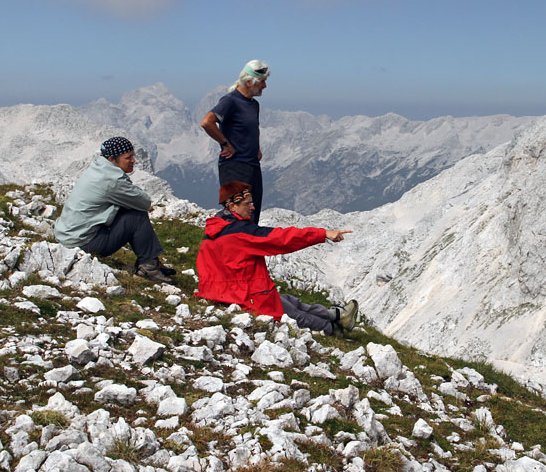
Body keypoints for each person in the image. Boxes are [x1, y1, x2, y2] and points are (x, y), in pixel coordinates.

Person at [195, 181, 359, 336]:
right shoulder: (241, 232)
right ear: (232, 206)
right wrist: (323, 234)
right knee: (293, 313)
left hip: (219, 292)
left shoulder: (215, 230)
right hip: (240, 295)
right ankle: (332, 329)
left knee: (288, 300)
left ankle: (337, 315)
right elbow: (282, 238)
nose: (252, 207)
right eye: (248, 204)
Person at [54, 136, 175, 283]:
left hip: (68, 235)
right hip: (83, 243)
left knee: (128, 210)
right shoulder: (113, 181)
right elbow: (144, 202)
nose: (133, 160)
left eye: (133, 156)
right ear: (112, 159)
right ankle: (149, 268)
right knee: (137, 216)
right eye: (128, 157)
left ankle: (151, 262)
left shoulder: (98, 167)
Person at [200, 59, 270, 223]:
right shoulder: (230, 100)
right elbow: (207, 122)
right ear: (248, 82)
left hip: (252, 165)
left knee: (252, 214)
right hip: (234, 167)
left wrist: (257, 148)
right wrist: (225, 144)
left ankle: (249, 247)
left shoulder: (254, 105)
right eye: (261, 82)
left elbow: (254, 127)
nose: (265, 86)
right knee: (237, 216)